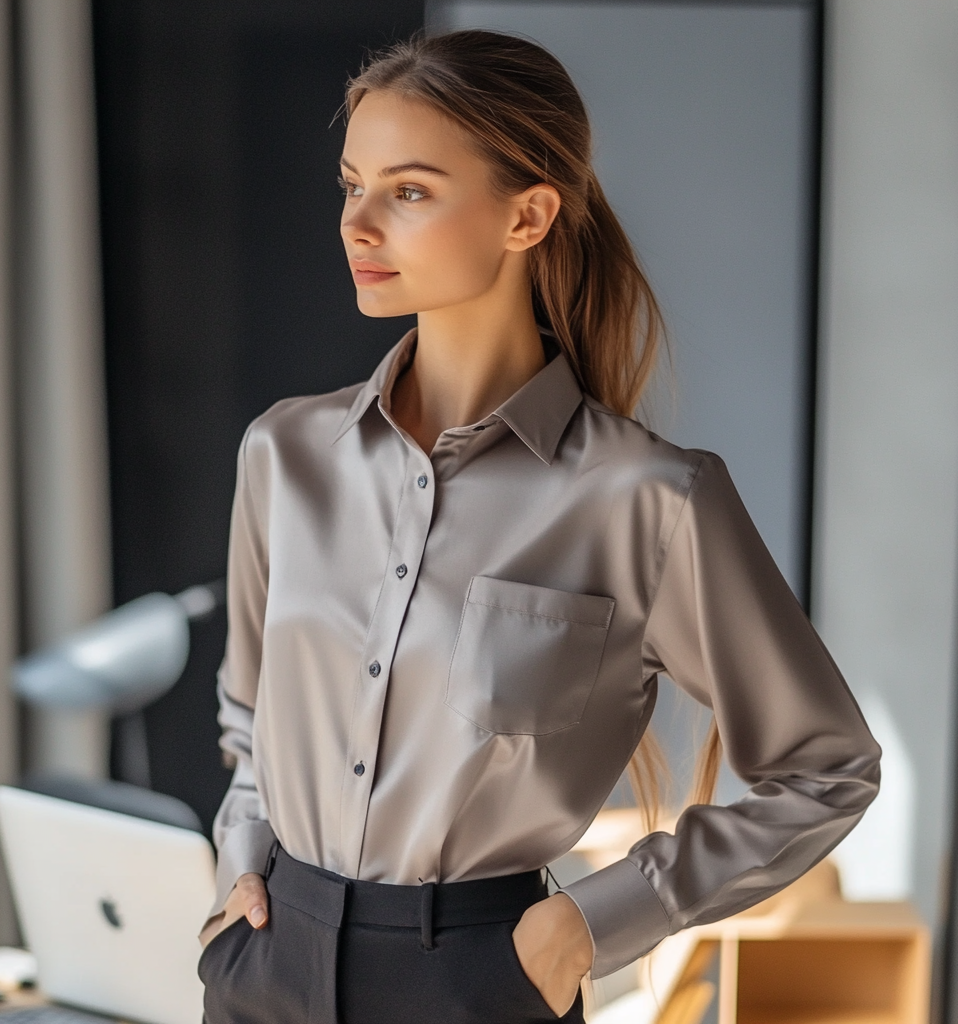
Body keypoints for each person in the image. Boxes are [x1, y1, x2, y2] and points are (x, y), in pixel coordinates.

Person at [196, 29, 880, 1024]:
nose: (359, 223)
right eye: (353, 185)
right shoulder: (284, 454)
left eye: (410, 190)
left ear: (527, 215)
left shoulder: (646, 498)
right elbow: (252, 719)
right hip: (264, 966)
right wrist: (239, 865)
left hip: (478, 984)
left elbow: (825, 769)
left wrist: (589, 923)